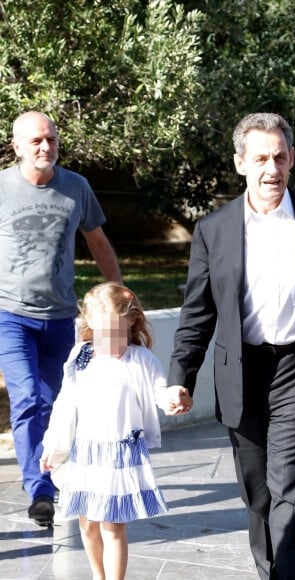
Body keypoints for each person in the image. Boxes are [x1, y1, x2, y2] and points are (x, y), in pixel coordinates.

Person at [167, 112, 295, 579]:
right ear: (240, 164)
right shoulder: (215, 229)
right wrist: (179, 378)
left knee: (291, 484)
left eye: (280, 157)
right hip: (242, 369)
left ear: (292, 160)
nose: (272, 169)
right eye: (261, 159)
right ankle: (269, 570)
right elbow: (198, 312)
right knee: (258, 492)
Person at [0, 111, 123, 527]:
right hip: (9, 314)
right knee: (27, 398)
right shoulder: (1, 188)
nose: (45, 147)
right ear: (16, 145)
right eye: (35, 141)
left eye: (51, 139)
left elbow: (99, 242)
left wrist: (120, 297)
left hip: (59, 315)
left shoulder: (76, 187)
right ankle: (40, 490)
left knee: (53, 405)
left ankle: (43, 474)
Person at [40, 282, 191, 580]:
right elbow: (65, 403)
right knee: (87, 523)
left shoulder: (141, 360)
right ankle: (99, 575)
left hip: (119, 454)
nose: (107, 339)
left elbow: (159, 392)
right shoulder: (81, 356)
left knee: (112, 525)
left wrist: (173, 398)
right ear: (90, 325)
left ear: (131, 321)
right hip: (85, 452)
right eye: (101, 331)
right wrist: (53, 445)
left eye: (115, 331)